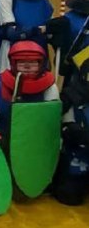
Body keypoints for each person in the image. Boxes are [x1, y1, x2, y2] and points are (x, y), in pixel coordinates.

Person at [0, 41, 59, 136]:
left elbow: (51, 124)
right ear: (13, 64)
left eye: (33, 62)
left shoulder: (50, 88)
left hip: (39, 138)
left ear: (41, 64)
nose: (27, 67)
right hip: (5, 140)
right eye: (21, 62)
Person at [51, 60, 89, 206]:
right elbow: (59, 123)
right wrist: (74, 132)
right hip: (77, 155)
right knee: (69, 195)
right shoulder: (71, 95)